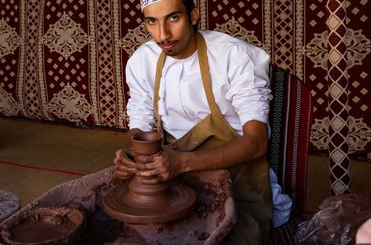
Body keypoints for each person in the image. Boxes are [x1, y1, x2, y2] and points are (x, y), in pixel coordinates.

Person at [113, 0, 291, 244]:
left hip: (238, 181)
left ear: (194, 15)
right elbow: (140, 123)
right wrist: (134, 154)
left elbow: (256, 142)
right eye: (152, 21)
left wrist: (182, 162)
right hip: (175, 179)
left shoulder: (233, 56)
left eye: (173, 18)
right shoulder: (143, 60)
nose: (162, 34)